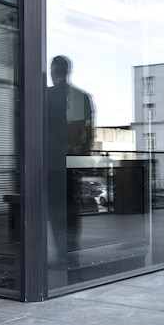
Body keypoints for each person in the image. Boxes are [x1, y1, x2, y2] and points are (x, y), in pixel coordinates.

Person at [47, 55, 95, 281]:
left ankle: (62, 255)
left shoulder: (47, 96)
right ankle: (72, 253)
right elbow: (88, 133)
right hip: (74, 164)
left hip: (53, 164)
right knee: (73, 211)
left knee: (57, 211)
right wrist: (81, 157)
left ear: (53, 72)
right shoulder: (83, 98)